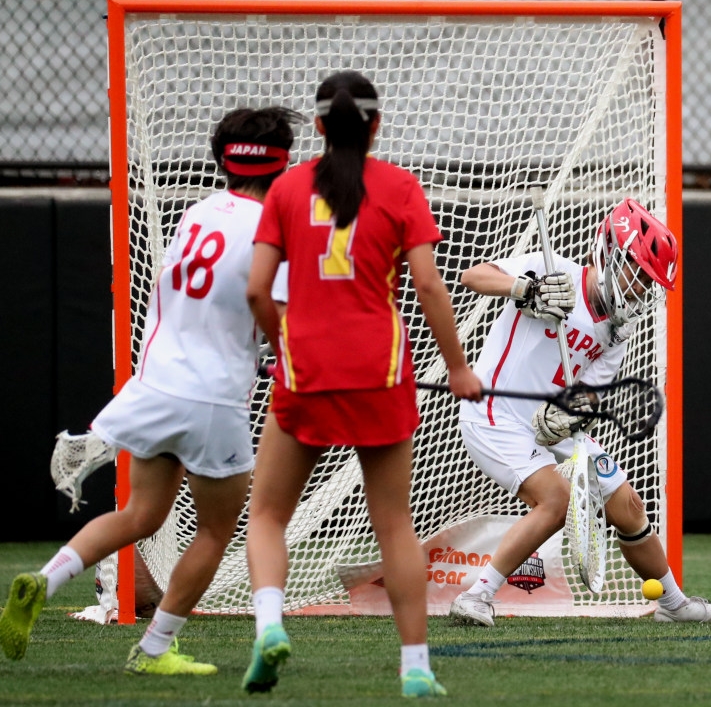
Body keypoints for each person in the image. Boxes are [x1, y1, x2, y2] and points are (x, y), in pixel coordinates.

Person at [0, 106, 304, 673]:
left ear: (223, 161)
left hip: (157, 386)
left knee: (141, 514)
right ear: (282, 166)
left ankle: (43, 580)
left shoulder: (197, 214)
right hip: (213, 400)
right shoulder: (276, 229)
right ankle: (155, 649)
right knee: (214, 531)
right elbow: (271, 307)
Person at [242, 70, 484, 698]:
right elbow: (428, 285)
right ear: (376, 125)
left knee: (267, 514)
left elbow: (257, 290)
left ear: (319, 126)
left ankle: (269, 626)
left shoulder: (287, 188)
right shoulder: (401, 188)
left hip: (307, 371)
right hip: (381, 371)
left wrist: (283, 344)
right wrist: (458, 368)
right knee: (395, 524)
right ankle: (416, 668)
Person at [450, 198, 711, 626]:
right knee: (556, 500)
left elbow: (588, 393)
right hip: (496, 413)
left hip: (548, 423)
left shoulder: (617, 330)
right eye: (639, 274)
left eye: (650, 283)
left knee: (629, 507)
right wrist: (526, 290)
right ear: (611, 253)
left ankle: (674, 604)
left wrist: (572, 413)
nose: (641, 289)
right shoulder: (553, 270)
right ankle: (475, 596)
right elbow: (472, 275)